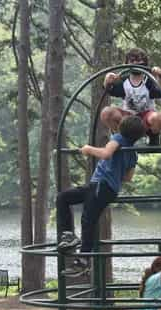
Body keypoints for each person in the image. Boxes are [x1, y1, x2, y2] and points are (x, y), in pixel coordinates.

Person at [56, 115, 146, 275]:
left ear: (121, 128)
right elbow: (128, 178)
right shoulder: (133, 152)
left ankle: (83, 260)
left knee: (88, 219)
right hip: (104, 188)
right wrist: (116, 169)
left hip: (101, 185)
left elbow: (106, 154)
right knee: (64, 198)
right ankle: (69, 235)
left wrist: (88, 149)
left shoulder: (118, 138)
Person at [101, 48, 161, 146]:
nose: (135, 63)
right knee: (106, 113)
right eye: (132, 61)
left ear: (145, 63)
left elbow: (159, 93)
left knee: (159, 118)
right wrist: (107, 80)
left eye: (139, 60)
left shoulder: (148, 80)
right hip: (128, 119)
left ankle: (153, 137)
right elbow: (110, 91)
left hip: (146, 117)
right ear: (127, 63)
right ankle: (121, 136)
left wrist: (159, 77)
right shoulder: (123, 80)